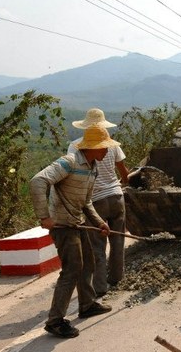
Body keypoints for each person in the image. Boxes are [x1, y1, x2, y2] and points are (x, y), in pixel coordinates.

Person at [30, 125, 118, 338]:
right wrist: (44, 217)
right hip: (62, 226)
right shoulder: (69, 162)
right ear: (93, 148)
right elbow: (38, 181)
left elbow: (86, 201)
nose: (107, 152)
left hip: (76, 223)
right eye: (104, 148)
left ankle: (87, 304)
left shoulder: (91, 167)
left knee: (88, 262)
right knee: (71, 270)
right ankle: (55, 321)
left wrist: (99, 223)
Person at [68, 108, 129, 298]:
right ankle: (117, 277)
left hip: (95, 201)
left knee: (97, 246)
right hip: (117, 197)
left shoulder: (75, 146)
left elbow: (72, 172)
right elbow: (123, 171)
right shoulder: (111, 145)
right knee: (118, 240)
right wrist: (125, 184)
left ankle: (101, 286)